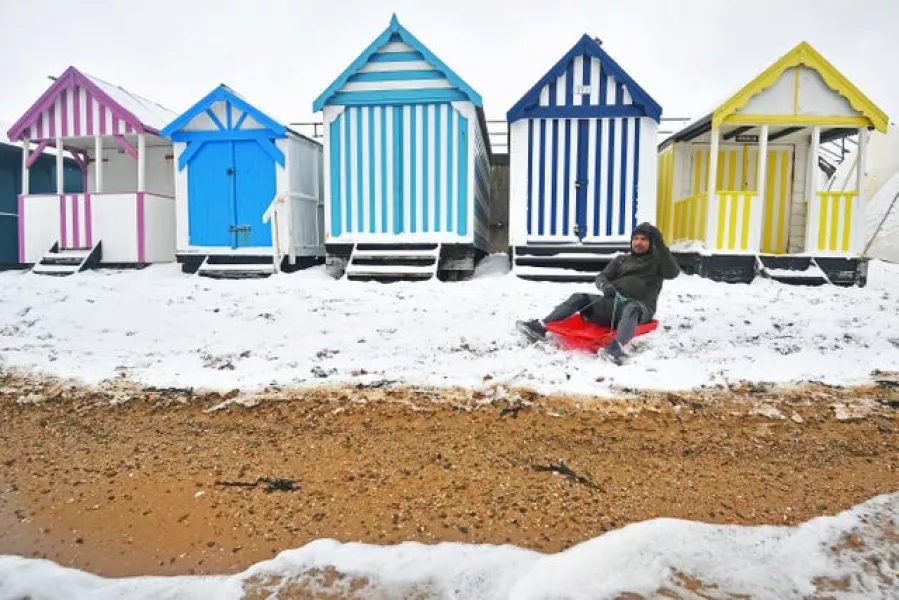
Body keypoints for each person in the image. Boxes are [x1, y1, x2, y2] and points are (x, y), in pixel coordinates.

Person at [516, 222, 680, 364]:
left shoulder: (658, 262)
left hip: (640, 308)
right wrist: (606, 287)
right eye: (635, 238)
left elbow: (673, 273)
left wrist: (661, 243)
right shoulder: (621, 260)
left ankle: (616, 348)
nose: (638, 242)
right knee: (579, 297)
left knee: (631, 308)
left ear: (652, 243)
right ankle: (542, 327)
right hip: (613, 304)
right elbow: (601, 277)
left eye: (644, 239)